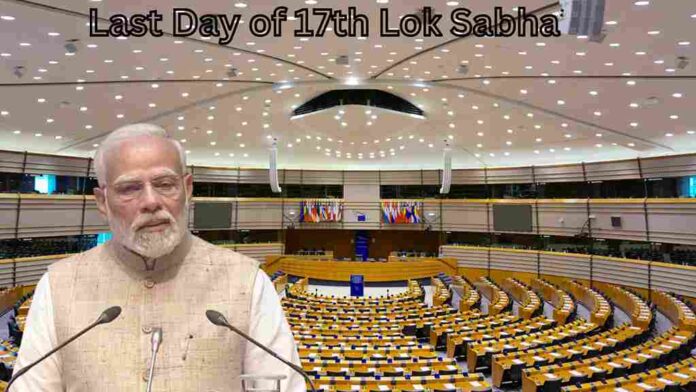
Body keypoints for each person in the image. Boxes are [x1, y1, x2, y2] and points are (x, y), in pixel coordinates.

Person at [13, 124, 305, 391]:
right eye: (129, 188)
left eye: (165, 184)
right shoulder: (58, 287)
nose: (151, 201)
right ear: (102, 202)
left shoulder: (247, 282)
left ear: (187, 189)